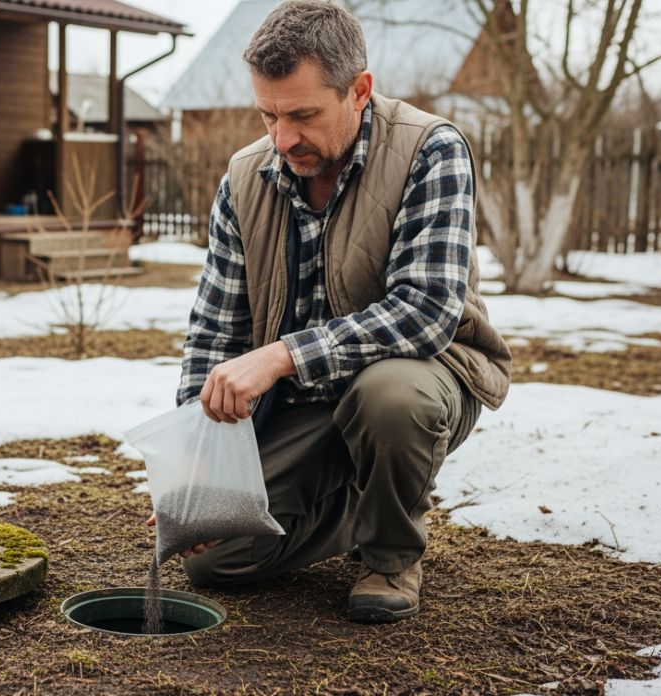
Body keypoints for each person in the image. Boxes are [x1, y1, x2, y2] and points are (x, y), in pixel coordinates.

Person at [147, 0, 512, 623]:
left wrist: (282, 355)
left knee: (390, 397)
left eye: (303, 115)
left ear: (359, 90)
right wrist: (196, 472)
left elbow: (425, 312)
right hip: (306, 402)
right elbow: (216, 332)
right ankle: (361, 502)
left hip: (424, 374)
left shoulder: (431, 150)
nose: (283, 137)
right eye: (268, 114)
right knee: (217, 561)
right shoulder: (244, 178)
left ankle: (390, 555)